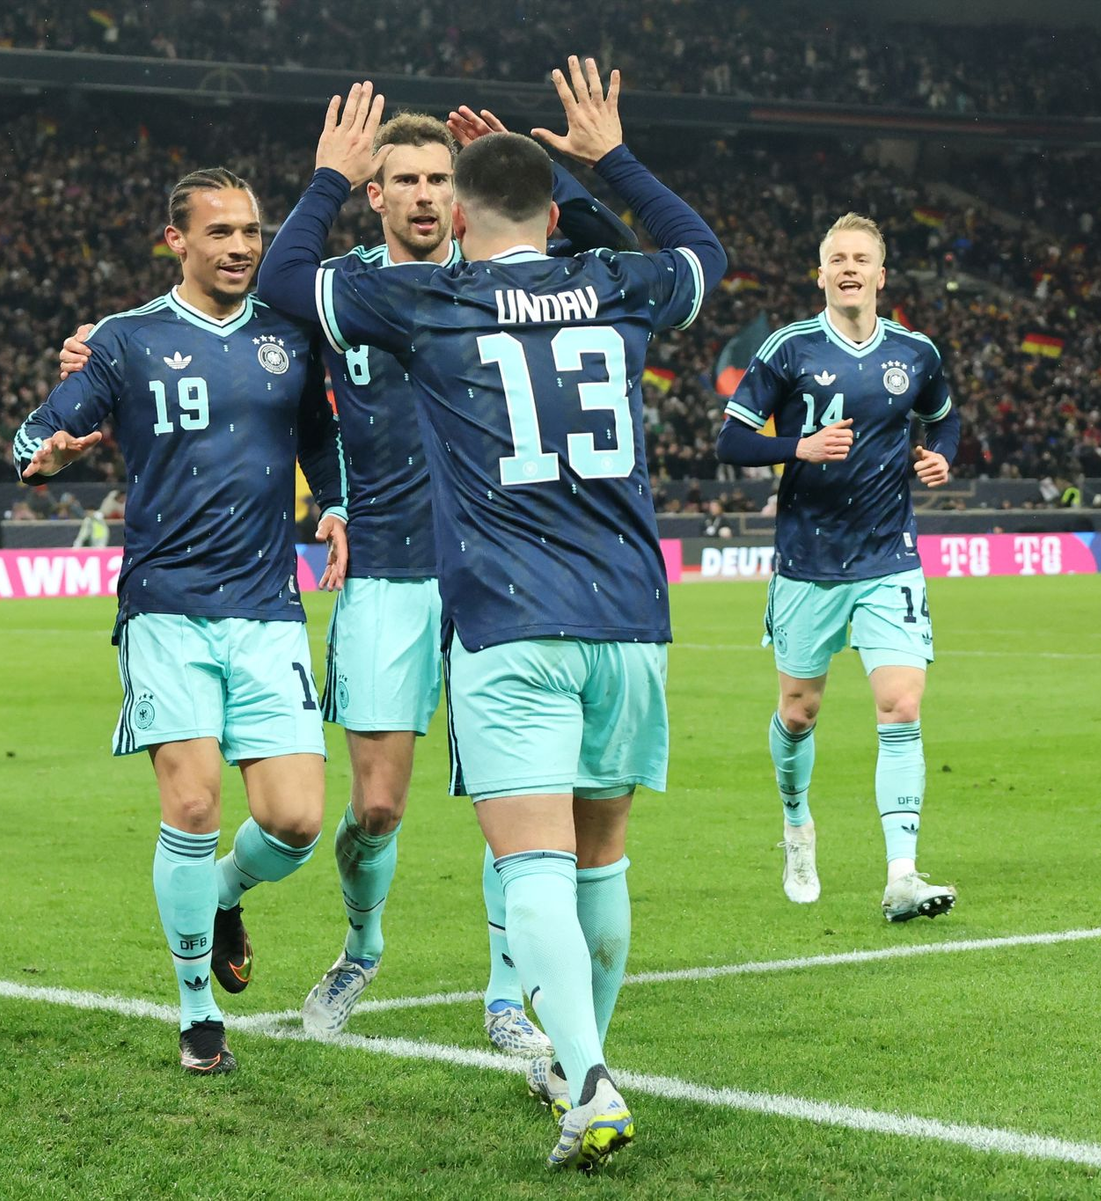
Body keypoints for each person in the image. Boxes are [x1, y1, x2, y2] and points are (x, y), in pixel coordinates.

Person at [55, 110, 635, 1054]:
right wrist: (95, 351)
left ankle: (503, 998)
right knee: (373, 808)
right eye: (403, 180)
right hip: (389, 571)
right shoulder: (332, 292)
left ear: (462, 194)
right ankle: (355, 943)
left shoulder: (504, 279)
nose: (424, 196)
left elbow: (617, 258)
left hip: (502, 574)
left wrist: (553, 174)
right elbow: (222, 329)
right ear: (375, 193)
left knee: (517, 796)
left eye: (440, 180)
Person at [257, 62, 724, 1169]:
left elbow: (285, 284)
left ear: (455, 215)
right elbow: (703, 253)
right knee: (601, 858)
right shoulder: (615, 284)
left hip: (512, 627)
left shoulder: (434, 298)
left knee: (534, 866)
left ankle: (590, 1078)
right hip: (633, 622)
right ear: (555, 216)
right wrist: (607, 158)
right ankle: (577, 1059)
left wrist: (329, 180)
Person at [13, 167, 349, 1076]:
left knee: (295, 823)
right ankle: (199, 1016)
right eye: (221, 232)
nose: (242, 246)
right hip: (166, 605)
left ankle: (225, 896)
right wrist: (42, 454)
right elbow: (36, 433)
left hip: (267, 607)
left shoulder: (288, 336)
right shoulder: (125, 341)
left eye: (251, 231)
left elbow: (321, 443)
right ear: (178, 241)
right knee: (195, 803)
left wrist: (337, 506)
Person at [715, 212, 960, 922]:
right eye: (836, 258)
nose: (849, 267)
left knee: (902, 704)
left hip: (890, 557)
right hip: (808, 563)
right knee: (799, 712)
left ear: (882, 274)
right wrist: (799, 446)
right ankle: (797, 823)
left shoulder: (916, 352)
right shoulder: (787, 349)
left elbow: (945, 416)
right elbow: (732, 442)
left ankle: (903, 872)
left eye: (861, 258)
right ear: (818, 274)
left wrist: (942, 453)